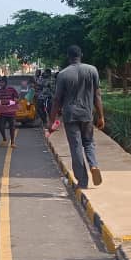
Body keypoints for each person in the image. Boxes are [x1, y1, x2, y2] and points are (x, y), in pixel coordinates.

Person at [49, 46, 104, 187]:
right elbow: (97, 95)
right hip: (87, 114)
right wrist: (101, 116)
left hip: (70, 115)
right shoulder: (92, 70)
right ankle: (93, 165)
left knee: (76, 146)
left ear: (69, 56)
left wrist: (51, 120)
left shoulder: (63, 74)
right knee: (89, 142)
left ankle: (83, 181)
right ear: (81, 55)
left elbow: (57, 100)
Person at [0, 76, 19, 148]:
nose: (0, 84)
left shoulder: (11, 89)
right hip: (3, 112)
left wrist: (12, 102)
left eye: (1, 82)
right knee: (0, 126)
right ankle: (4, 139)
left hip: (11, 112)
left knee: (12, 127)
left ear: (5, 83)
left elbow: (17, 98)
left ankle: (13, 142)